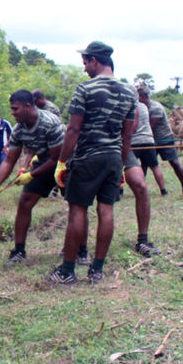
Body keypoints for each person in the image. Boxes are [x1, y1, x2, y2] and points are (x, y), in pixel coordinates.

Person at [44, 41, 135, 285]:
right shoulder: (129, 92)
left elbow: (73, 129)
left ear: (94, 60)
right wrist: (123, 165)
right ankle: (97, 270)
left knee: (77, 210)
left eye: (85, 63)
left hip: (87, 158)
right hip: (114, 158)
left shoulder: (85, 89)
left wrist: (61, 162)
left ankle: (67, 272)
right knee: (106, 210)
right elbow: (127, 135)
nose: (85, 69)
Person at [0, 89, 65, 264]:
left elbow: (56, 159)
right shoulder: (19, 130)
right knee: (25, 201)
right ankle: (19, 250)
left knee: (76, 205)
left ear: (27, 106)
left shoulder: (50, 123)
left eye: (15, 108)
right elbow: (9, 161)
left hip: (68, 163)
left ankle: (79, 249)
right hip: (44, 161)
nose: (11, 112)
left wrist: (30, 174)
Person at [122, 89, 162, 257]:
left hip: (121, 146)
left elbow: (132, 130)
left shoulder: (136, 105)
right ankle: (80, 248)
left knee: (141, 186)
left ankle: (143, 240)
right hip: (96, 149)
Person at [137, 88, 183, 194]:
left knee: (174, 162)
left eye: (137, 98)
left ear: (143, 97)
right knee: (144, 164)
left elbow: (150, 126)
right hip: (151, 140)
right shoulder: (142, 108)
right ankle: (139, 189)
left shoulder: (155, 108)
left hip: (164, 139)